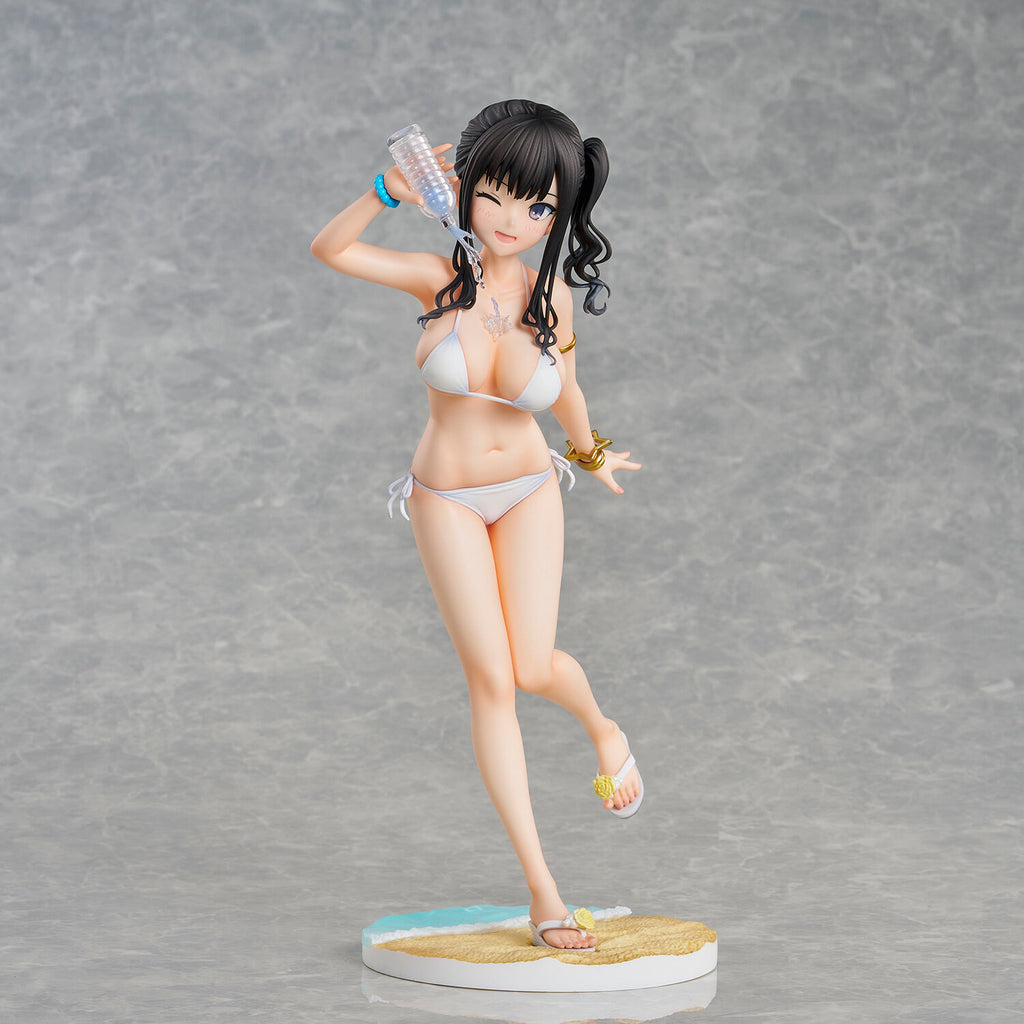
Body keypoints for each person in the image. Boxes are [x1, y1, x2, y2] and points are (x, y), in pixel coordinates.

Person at [312, 100, 642, 951]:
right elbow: (331, 250)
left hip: (529, 488)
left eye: (537, 207)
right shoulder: (437, 278)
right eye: (493, 194)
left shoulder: (551, 297)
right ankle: (543, 890)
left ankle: (603, 728)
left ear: (558, 213)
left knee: (534, 665)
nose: (510, 219)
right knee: (492, 681)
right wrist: (386, 189)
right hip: (448, 498)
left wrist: (591, 452)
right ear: (460, 188)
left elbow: (567, 388)